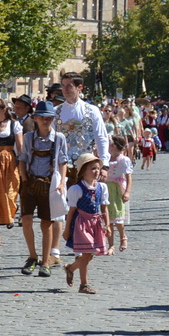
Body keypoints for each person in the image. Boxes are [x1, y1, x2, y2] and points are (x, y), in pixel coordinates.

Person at [16, 100, 67, 276]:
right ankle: (32, 256)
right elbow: (22, 158)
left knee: (46, 224)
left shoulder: (59, 138)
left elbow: (63, 161)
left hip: (49, 184)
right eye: (42, 118)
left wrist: (61, 183)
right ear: (36, 118)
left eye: (49, 118)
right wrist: (24, 178)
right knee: (26, 220)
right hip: (30, 183)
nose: (45, 121)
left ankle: (45, 261)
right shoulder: (29, 137)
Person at [63, 153, 111, 293]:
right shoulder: (77, 189)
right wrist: (67, 229)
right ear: (83, 171)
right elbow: (71, 211)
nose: (97, 171)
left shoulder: (102, 187)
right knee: (86, 253)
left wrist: (107, 225)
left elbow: (104, 208)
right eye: (93, 168)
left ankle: (71, 268)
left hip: (95, 224)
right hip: (81, 224)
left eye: (98, 168)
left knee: (89, 255)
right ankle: (83, 284)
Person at [53, 72, 109, 167]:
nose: (65, 90)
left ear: (79, 87)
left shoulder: (92, 110)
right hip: (61, 165)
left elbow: (101, 137)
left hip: (86, 164)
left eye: (69, 86)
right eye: (63, 86)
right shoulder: (55, 111)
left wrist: (104, 163)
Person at [0, 98, 21, 226]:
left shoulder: (14, 124)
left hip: (9, 159)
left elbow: (20, 146)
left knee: (10, 188)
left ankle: (10, 214)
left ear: (4, 110)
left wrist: (22, 162)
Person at [106, 136, 133, 251]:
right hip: (106, 188)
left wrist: (127, 192)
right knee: (107, 218)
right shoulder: (106, 157)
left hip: (117, 189)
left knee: (117, 216)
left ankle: (123, 237)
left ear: (114, 146)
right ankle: (110, 245)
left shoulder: (124, 160)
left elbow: (129, 177)